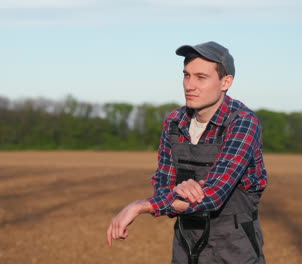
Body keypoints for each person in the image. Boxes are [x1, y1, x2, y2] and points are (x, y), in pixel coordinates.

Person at [106, 41, 267, 263]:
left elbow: (213, 195)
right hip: (185, 244)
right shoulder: (174, 122)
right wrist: (179, 190)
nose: (189, 85)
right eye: (186, 75)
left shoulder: (242, 122)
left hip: (235, 248)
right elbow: (163, 186)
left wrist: (140, 205)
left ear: (225, 82)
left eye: (201, 77)